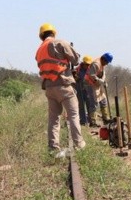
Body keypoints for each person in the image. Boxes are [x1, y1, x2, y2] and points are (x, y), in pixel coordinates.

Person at [35, 23, 86, 156]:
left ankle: (53, 147)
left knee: (54, 118)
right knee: (74, 114)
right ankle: (79, 144)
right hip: (63, 84)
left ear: (41, 36)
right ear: (53, 33)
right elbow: (75, 60)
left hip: (49, 87)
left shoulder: (39, 49)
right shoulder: (60, 43)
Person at [85, 52, 114, 125]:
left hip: (97, 84)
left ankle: (105, 118)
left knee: (103, 100)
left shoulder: (102, 63)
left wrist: (103, 81)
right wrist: (99, 80)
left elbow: (103, 73)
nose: (107, 64)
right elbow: (91, 75)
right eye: (107, 62)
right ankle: (93, 121)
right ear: (104, 59)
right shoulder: (96, 64)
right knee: (94, 103)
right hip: (90, 84)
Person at [75, 55, 98, 127]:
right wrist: (76, 78)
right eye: (87, 64)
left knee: (90, 105)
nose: (88, 66)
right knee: (81, 105)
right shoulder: (77, 70)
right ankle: (83, 121)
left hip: (88, 89)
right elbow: (72, 78)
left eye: (89, 64)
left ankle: (91, 121)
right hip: (79, 89)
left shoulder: (90, 69)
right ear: (83, 63)